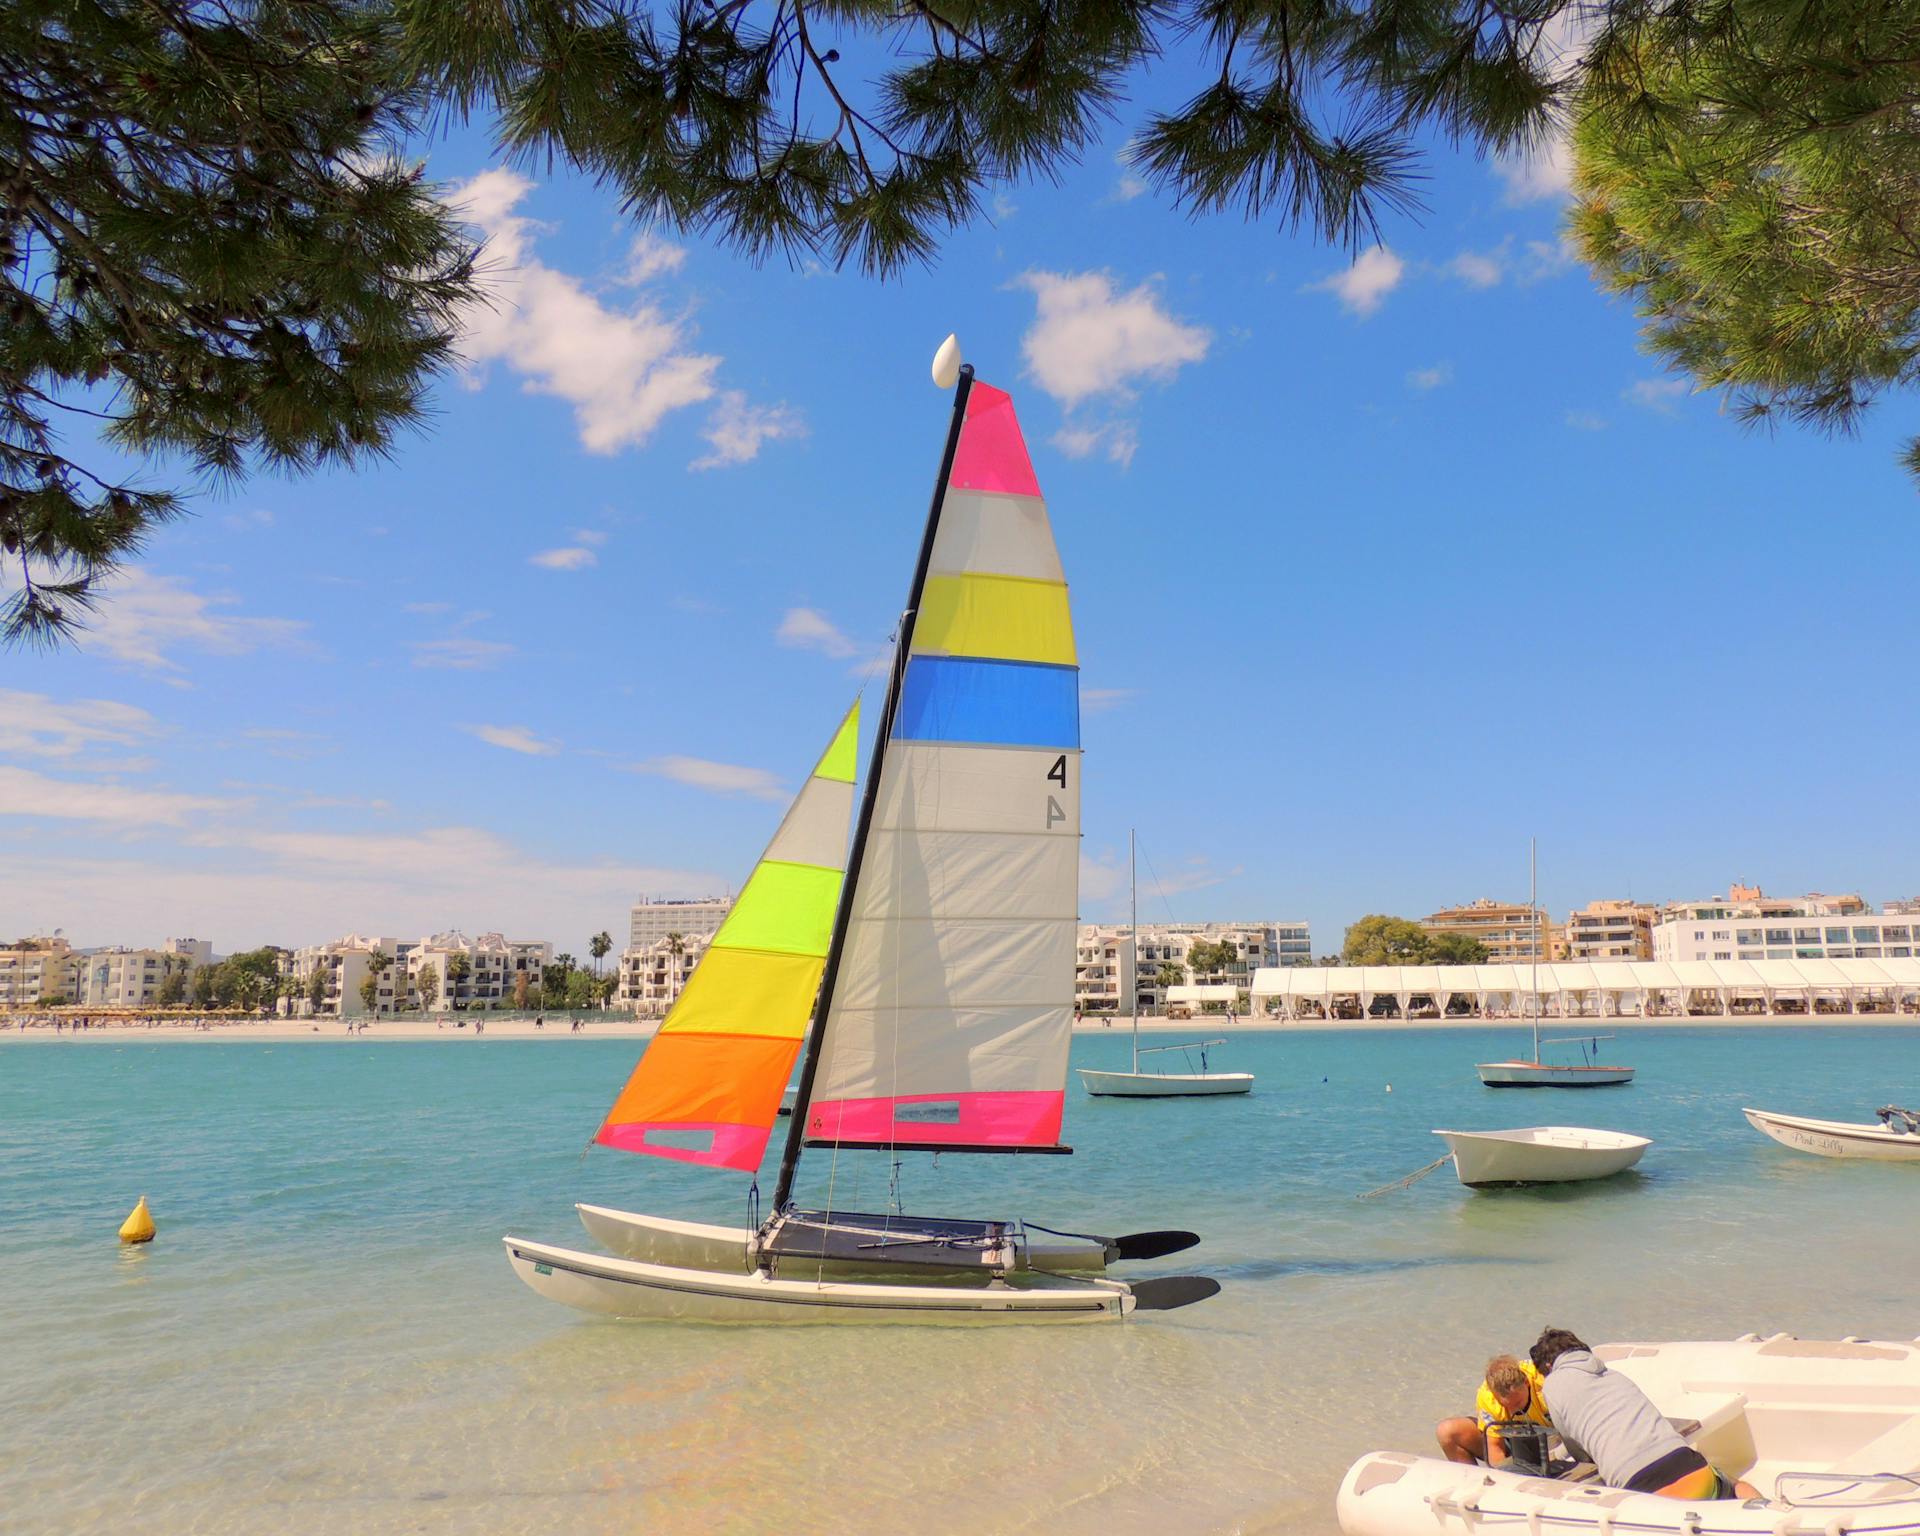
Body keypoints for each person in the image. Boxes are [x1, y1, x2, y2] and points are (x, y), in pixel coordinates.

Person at [1532, 1328, 1759, 1501]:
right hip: (1689, 1465)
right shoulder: (1614, 1375)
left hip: (1642, 1487)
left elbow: (1574, 1444)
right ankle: (1769, 1514)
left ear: (1549, 1365)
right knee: (1738, 1487)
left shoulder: (1553, 1384)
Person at [1437, 1354, 1552, 1466]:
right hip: (1512, 1443)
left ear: (1526, 1383)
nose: (1513, 1412)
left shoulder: (1544, 1379)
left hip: (1551, 1442)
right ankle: (1475, 1480)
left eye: (1518, 1403)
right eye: (1506, 1406)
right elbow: (1495, 1447)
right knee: (1447, 1431)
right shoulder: (1487, 1397)